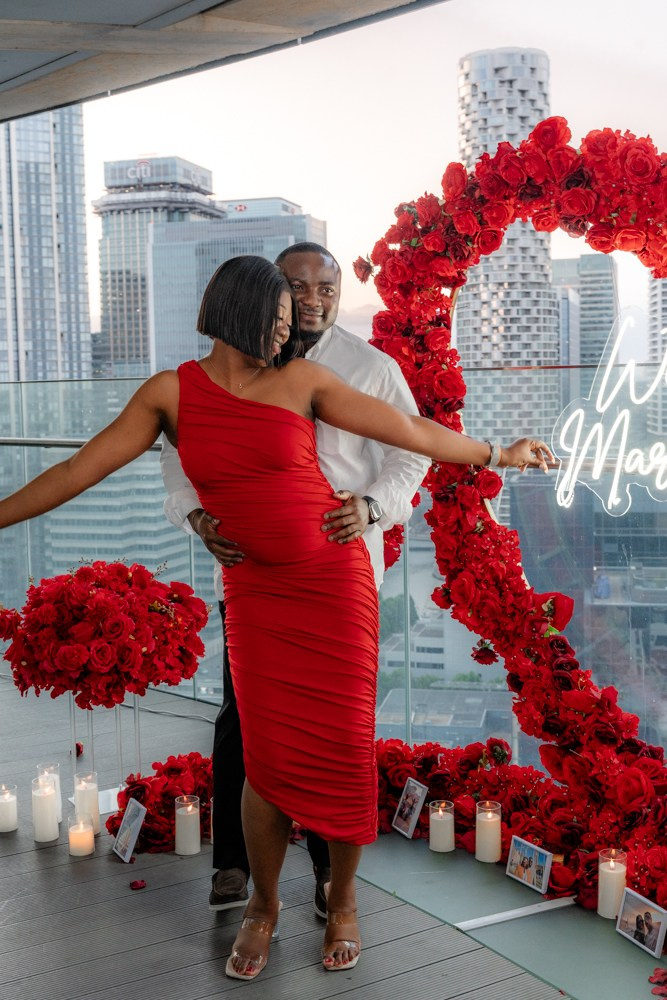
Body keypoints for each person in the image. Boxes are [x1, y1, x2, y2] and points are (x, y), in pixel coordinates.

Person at [0, 255, 552, 981]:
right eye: (281, 318)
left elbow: (410, 433)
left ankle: (344, 901)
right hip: (257, 595)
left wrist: (498, 453)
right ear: (236, 312)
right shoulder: (170, 393)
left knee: (344, 751)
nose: (290, 332)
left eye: (296, 322)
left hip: (334, 584)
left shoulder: (305, 382)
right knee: (264, 761)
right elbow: (78, 471)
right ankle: (262, 907)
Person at [160, 242, 431, 920]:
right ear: (269, 293)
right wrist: (194, 513)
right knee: (242, 719)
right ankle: (235, 867)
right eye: (295, 286)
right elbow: (178, 454)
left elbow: (412, 452)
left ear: (339, 293)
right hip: (253, 575)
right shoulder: (226, 365)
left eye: (326, 286)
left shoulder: (369, 368)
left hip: (338, 576)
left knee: (336, 733)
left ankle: (326, 884)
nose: (311, 299)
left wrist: (371, 506)